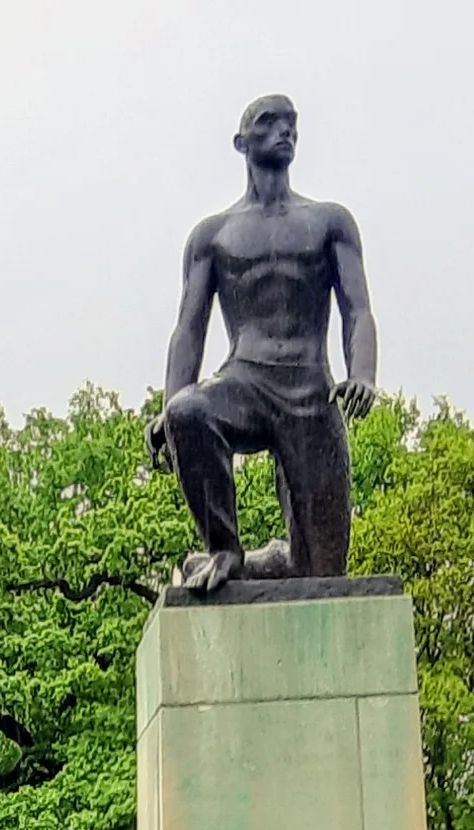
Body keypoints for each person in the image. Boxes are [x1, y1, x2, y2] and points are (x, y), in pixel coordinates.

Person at [151, 94, 379, 592]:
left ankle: (274, 559)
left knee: (324, 578)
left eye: (291, 123)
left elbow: (357, 309)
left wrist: (362, 374)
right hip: (245, 382)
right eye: (269, 122)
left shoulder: (329, 221)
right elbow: (189, 327)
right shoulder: (212, 235)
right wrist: (169, 409)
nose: (285, 131)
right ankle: (225, 550)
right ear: (241, 142)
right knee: (189, 412)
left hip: (310, 394)